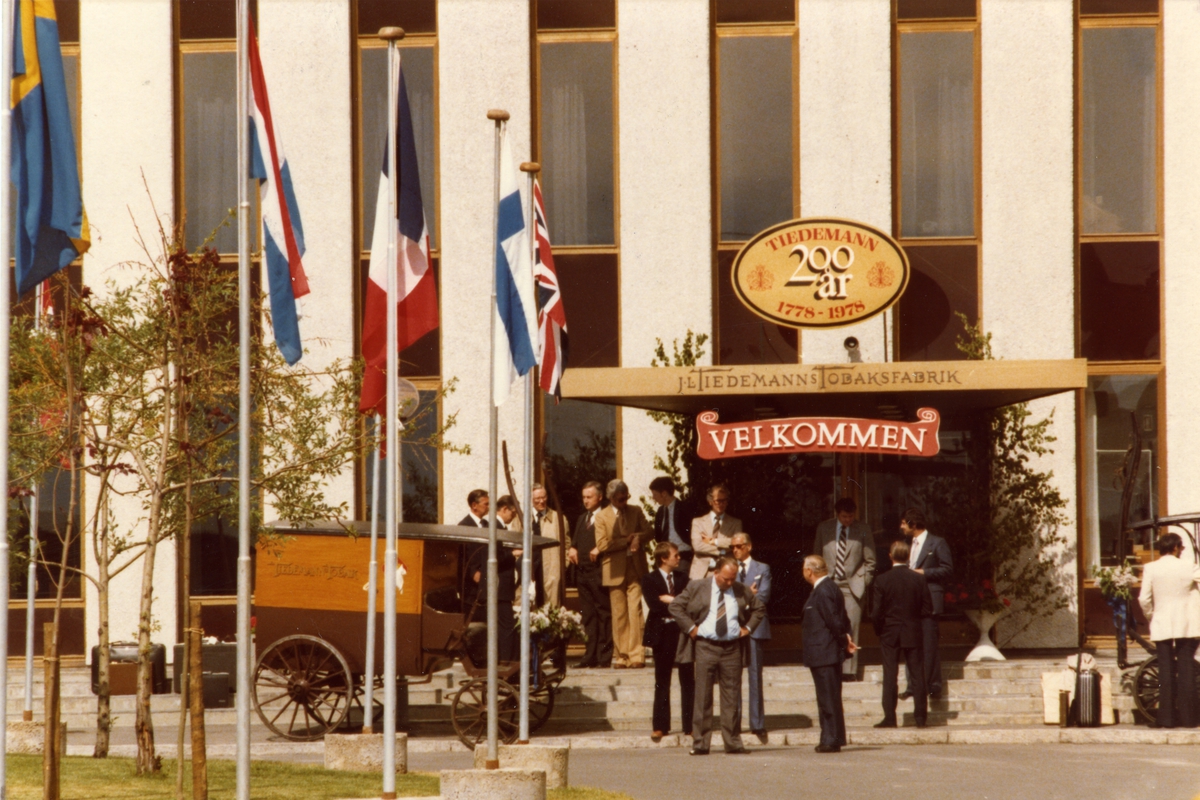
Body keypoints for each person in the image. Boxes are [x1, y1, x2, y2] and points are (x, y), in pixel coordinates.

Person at [670, 556, 765, 755]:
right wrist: (690, 628)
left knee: (731, 696)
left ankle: (733, 742)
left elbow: (759, 608)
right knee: (703, 696)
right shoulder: (697, 587)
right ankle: (701, 743)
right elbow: (675, 606)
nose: (729, 583)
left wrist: (747, 628)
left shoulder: (740, 589)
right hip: (706, 646)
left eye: (732, 579)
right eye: (725, 579)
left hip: (732, 648)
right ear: (715, 573)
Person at [1138, 532, 1200, 728]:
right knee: (1186, 668)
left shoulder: (1151, 568)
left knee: (1165, 669)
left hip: (1162, 622)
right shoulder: (1189, 566)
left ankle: (1165, 718)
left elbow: (1143, 599)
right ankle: (1189, 718)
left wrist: (1151, 615)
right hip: (1187, 623)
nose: (1181, 551)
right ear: (1174, 548)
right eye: (1180, 548)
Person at [870, 540, 932, 728]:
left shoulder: (882, 580)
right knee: (917, 674)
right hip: (912, 630)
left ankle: (890, 717)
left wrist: (879, 629)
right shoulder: (918, 579)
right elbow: (927, 608)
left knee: (890, 674)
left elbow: (876, 612)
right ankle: (920, 718)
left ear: (890, 556)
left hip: (890, 632)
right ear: (908, 557)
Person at [812, 498, 876, 679]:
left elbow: (870, 560)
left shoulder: (862, 529)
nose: (848, 520)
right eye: (844, 516)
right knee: (828, 626)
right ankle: (831, 667)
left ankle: (848, 672)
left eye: (851, 516)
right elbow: (816, 556)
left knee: (851, 626)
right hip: (828, 583)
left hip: (852, 585)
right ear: (837, 514)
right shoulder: (824, 528)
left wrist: (864, 580)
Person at [802, 555, 856, 753]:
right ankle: (831, 736)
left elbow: (834, 620)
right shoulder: (830, 588)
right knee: (828, 696)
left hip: (824, 651)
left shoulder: (824, 590)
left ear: (810, 571)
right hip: (824, 652)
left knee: (828, 697)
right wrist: (846, 638)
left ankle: (831, 738)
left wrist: (844, 640)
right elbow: (842, 618)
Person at [594, 479, 650, 669]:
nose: (624, 502)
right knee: (619, 613)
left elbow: (649, 531)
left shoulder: (636, 511)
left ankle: (636, 655)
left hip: (635, 566)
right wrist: (627, 540)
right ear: (610, 498)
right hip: (614, 568)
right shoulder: (602, 517)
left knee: (635, 610)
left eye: (626, 498)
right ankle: (621, 656)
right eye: (619, 499)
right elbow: (602, 545)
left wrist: (637, 538)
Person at [641, 541, 695, 742]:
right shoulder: (649, 579)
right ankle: (660, 726)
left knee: (688, 680)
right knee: (662, 680)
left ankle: (690, 725)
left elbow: (690, 603)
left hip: (681, 633)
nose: (679, 558)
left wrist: (672, 601)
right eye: (675, 555)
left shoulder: (683, 578)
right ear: (664, 558)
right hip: (662, 633)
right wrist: (677, 604)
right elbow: (654, 605)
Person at [900, 507, 952, 701]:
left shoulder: (937, 543)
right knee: (910, 642)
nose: (901, 527)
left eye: (904, 523)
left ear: (913, 524)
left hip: (929, 598)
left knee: (929, 642)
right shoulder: (906, 543)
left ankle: (933, 684)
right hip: (909, 600)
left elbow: (947, 569)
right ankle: (912, 685)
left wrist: (924, 573)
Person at [730, 532, 771, 742]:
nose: (735, 550)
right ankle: (733, 723)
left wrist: (742, 595)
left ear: (748, 546)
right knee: (733, 675)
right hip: (734, 626)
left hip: (755, 626)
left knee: (755, 675)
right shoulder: (730, 568)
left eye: (738, 546)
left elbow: (763, 596)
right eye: (733, 547)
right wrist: (748, 593)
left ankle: (757, 723)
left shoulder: (762, 568)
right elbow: (727, 595)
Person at [569, 481, 613, 668]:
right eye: (584, 497)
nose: (585, 501)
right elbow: (576, 541)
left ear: (600, 497)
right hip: (583, 573)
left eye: (589, 497)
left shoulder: (607, 516)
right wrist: (572, 548)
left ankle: (604, 656)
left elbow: (613, 538)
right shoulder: (582, 518)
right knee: (588, 615)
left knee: (603, 614)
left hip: (599, 571)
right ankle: (589, 656)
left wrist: (599, 548)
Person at [689, 483, 742, 580]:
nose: (721, 504)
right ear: (710, 501)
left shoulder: (736, 523)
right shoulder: (698, 522)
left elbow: (736, 543)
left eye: (724, 500)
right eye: (718, 501)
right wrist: (723, 550)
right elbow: (697, 546)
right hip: (702, 573)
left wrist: (714, 541)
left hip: (725, 572)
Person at [531, 484, 569, 607]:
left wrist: (562, 565)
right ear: (530, 499)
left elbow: (567, 545)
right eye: (537, 498)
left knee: (551, 608)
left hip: (551, 572)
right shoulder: (521, 518)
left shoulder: (559, 519)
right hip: (530, 570)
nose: (541, 501)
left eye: (544, 497)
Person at [651, 476, 695, 578]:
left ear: (664, 493)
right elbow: (658, 537)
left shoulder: (684, 508)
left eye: (655, 494)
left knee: (679, 584)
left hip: (683, 555)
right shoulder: (660, 512)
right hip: (666, 558)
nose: (653, 498)